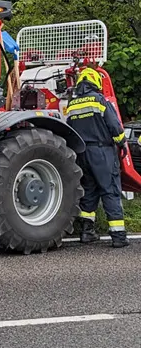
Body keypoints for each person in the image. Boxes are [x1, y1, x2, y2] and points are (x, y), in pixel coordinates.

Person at [65, 66, 130, 248]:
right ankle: (118, 236)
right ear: (95, 82)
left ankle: (86, 232)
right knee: (109, 190)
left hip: (81, 153)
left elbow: (69, 128)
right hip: (101, 152)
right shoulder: (100, 100)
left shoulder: (72, 104)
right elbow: (114, 126)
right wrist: (121, 143)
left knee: (89, 191)